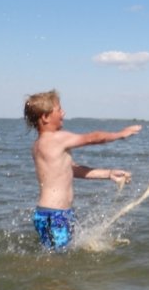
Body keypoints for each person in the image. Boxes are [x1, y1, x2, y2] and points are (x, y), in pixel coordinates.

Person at [23, 89, 142, 250]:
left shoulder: (39, 145)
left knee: (57, 255)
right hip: (56, 215)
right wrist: (120, 134)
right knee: (58, 259)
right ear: (45, 117)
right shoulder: (57, 138)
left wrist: (108, 174)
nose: (63, 113)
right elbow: (93, 138)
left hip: (49, 213)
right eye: (59, 109)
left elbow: (70, 170)